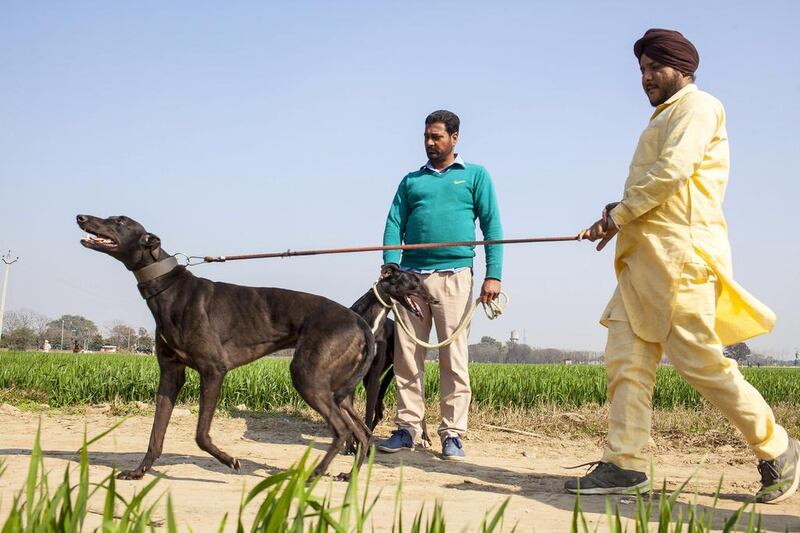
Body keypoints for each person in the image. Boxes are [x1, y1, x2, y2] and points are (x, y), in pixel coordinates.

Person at [568, 28, 798, 503]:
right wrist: (617, 214)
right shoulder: (664, 115)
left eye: (655, 68)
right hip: (641, 263)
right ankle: (624, 464)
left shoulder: (699, 106)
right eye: (642, 70)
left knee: (702, 366)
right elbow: (655, 184)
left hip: (680, 261)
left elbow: (672, 172)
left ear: (683, 69)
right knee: (626, 360)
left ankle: (778, 449)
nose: (647, 78)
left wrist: (619, 214)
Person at [377, 110, 503, 460]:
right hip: (410, 280)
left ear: (454, 138)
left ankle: (452, 434)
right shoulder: (411, 181)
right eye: (427, 137)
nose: (431, 143)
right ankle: (407, 428)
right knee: (406, 355)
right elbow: (393, 223)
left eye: (437, 137)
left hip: (455, 277)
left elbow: (492, 228)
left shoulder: (475, 176)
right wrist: (390, 266)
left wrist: (493, 274)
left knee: (454, 357)